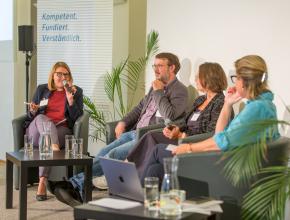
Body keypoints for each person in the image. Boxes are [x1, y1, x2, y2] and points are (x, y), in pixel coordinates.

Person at [50, 52, 188, 207]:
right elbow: (139, 108)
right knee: (104, 152)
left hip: (148, 137)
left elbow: (170, 115)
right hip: (134, 132)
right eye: (154, 66)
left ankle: (72, 185)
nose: (156, 69)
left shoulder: (180, 91)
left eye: (160, 66)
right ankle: (77, 187)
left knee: (113, 155)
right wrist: (123, 122)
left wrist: (158, 92)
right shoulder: (155, 86)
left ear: (172, 68)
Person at [140, 55, 280, 184]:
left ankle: (134, 193)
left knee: (158, 150)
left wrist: (188, 147)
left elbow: (220, 143)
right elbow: (220, 135)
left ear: (245, 81)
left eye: (236, 78)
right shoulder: (264, 105)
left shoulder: (256, 109)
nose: (235, 83)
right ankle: (144, 199)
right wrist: (228, 103)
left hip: (220, 168)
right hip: (219, 160)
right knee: (155, 170)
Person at [126, 62, 230, 183]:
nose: (195, 79)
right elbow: (185, 122)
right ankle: (131, 171)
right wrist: (175, 128)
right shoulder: (200, 100)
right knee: (151, 137)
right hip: (181, 139)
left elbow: (212, 134)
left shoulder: (221, 103)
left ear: (209, 78)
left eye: (198, 76)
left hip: (193, 144)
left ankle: (132, 177)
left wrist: (184, 136)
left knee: (156, 151)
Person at [25, 61, 83, 201]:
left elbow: (76, 118)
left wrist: (70, 100)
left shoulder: (76, 92)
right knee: (40, 118)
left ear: (69, 77)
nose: (62, 77)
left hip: (61, 129)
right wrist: (32, 111)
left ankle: (42, 183)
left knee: (47, 139)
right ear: (52, 75)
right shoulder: (42, 89)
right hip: (37, 129)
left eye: (65, 74)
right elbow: (29, 116)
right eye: (59, 74)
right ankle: (54, 146)